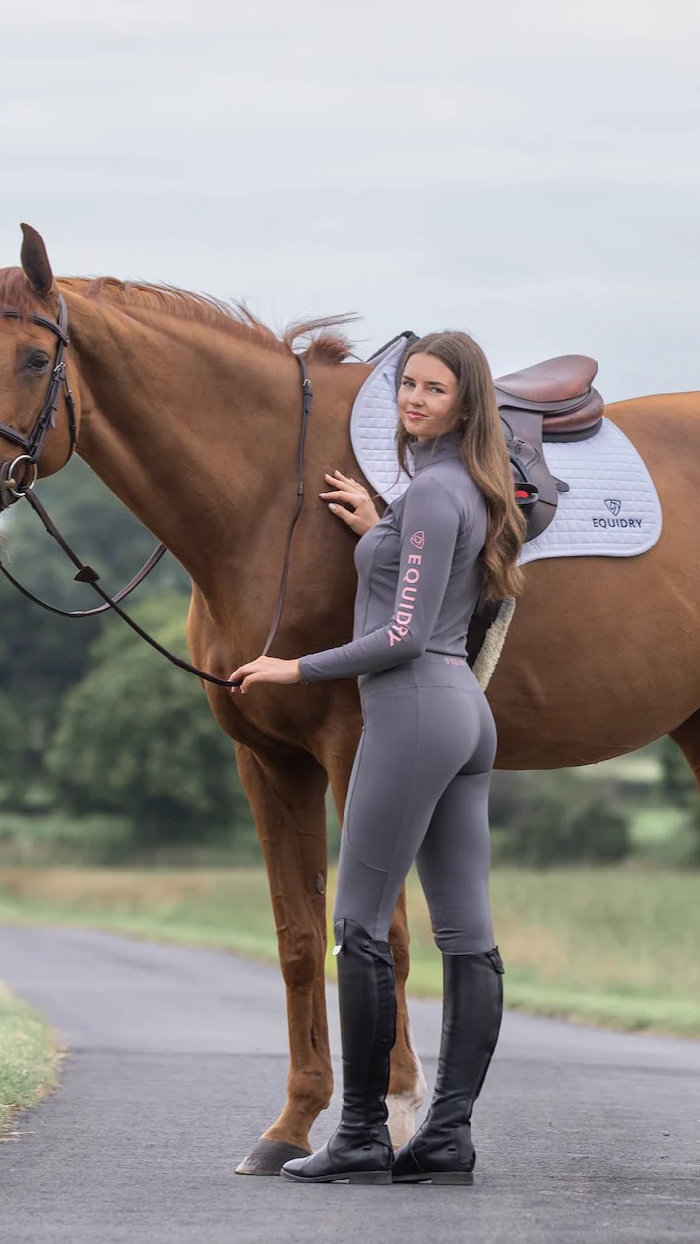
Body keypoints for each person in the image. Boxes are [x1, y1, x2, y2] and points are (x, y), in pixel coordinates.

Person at [229, 332, 526, 1185]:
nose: (415, 398)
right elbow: (420, 583)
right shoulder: (452, 490)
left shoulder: (435, 493)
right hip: (464, 714)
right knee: (467, 932)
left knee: (359, 922)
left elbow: (399, 635)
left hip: (413, 712)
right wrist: (376, 529)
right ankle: (448, 1137)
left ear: (466, 406)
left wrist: (295, 665)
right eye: (410, 384)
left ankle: (360, 1135)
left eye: (435, 390)